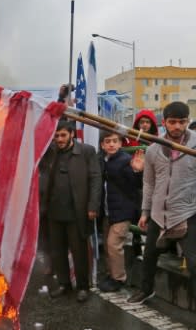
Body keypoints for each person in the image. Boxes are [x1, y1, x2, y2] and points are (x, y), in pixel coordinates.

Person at [128, 102, 196, 305]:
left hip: (188, 210)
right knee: (149, 255)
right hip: (159, 212)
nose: (177, 126)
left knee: (194, 261)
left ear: (188, 121)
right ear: (164, 122)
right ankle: (146, 289)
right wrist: (145, 212)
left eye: (182, 122)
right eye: (172, 122)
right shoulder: (153, 150)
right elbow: (149, 183)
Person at [41, 120, 101, 302]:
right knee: (57, 251)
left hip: (78, 211)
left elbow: (95, 179)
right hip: (54, 210)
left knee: (79, 251)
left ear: (72, 134)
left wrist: (92, 206)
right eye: (56, 135)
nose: (59, 139)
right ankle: (64, 284)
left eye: (63, 135)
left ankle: (83, 287)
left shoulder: (87, 151)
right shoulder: (50, 152)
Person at [97, 131, 143, 292]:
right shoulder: (102, 160)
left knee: (113, 244)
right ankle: (112, 274)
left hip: (123, 211)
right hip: (108, 210)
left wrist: (138, 171)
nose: (111, 144)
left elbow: (136, 183)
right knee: (108, 246)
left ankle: (118, 278)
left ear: (121, 143)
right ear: (102, 145)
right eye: (107, 141)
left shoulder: (125, 160)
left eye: (115, 141)